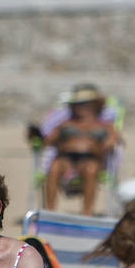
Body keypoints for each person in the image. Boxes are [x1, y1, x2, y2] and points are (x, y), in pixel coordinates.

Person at [43, 84, 121, 215]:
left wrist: (108, 143)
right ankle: (49, 211)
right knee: (54, 167)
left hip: (90, 158)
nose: (81, 107)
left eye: (85, 104)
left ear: (94, 105)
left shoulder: (104, 125)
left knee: (91, 169)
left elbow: (115, 139)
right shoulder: (66, 123)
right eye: (78, 104)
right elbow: (48, 140)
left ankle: (86, 212)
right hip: (65, 157)